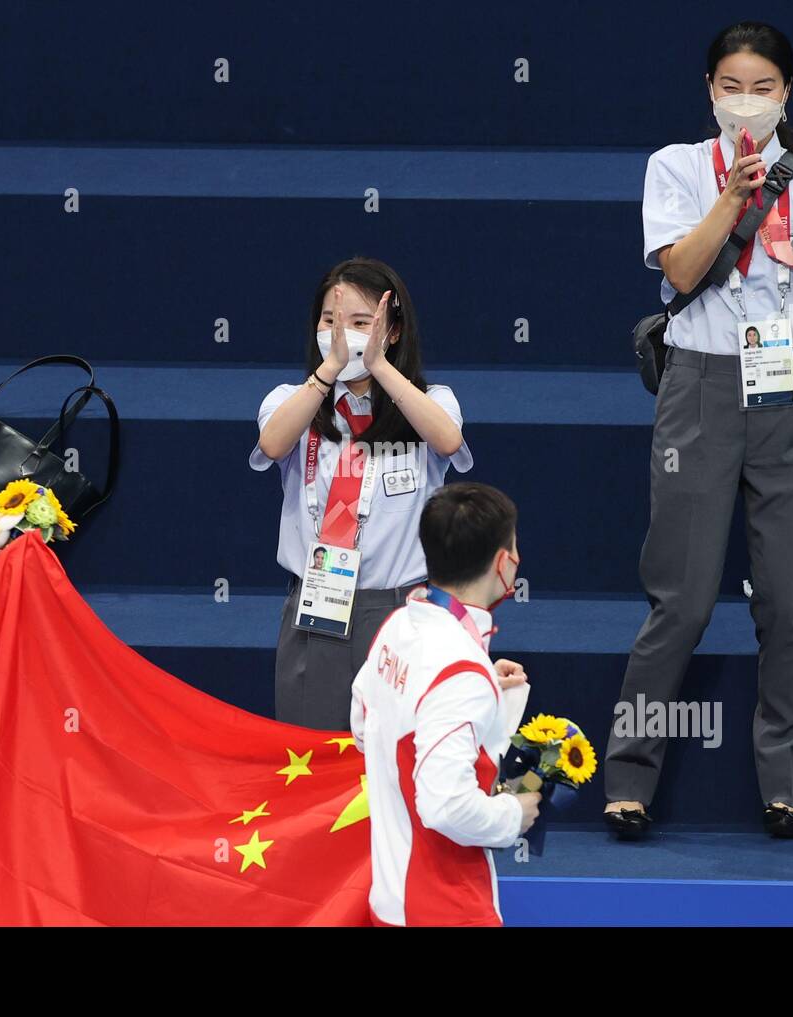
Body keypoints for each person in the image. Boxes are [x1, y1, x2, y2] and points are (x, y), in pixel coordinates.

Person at [604, 21, 793, 840]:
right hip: (702, 386)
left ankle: (784, 781)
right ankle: (630, 774)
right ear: (710, 91)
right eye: (731, 87)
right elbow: (680, 271)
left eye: (762, 88)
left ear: (787, 93)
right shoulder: (676, 167)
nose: (746, 104)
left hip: (785, 383)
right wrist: (733, 194)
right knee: (679, 596)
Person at [250, 257, 474, 730]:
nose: (342, 334)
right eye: (329, 321)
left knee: (397, 756)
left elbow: (448, 441)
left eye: (360, 323)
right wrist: (330, 369)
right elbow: (272, 443)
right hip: (317, 604)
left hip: (402, 609)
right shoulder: (291, 399)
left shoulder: (431, 401)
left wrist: (378, 368)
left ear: (393, 331)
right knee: (316, 756)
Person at [350, 482, 539, 926]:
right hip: (441, 910)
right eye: (514, 547)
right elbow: (445, 806)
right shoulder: (459, 674)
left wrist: (477, 684)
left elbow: (363, 720)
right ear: (502, 562)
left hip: (391, 898)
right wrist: (515, 814)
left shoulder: (400, 625)